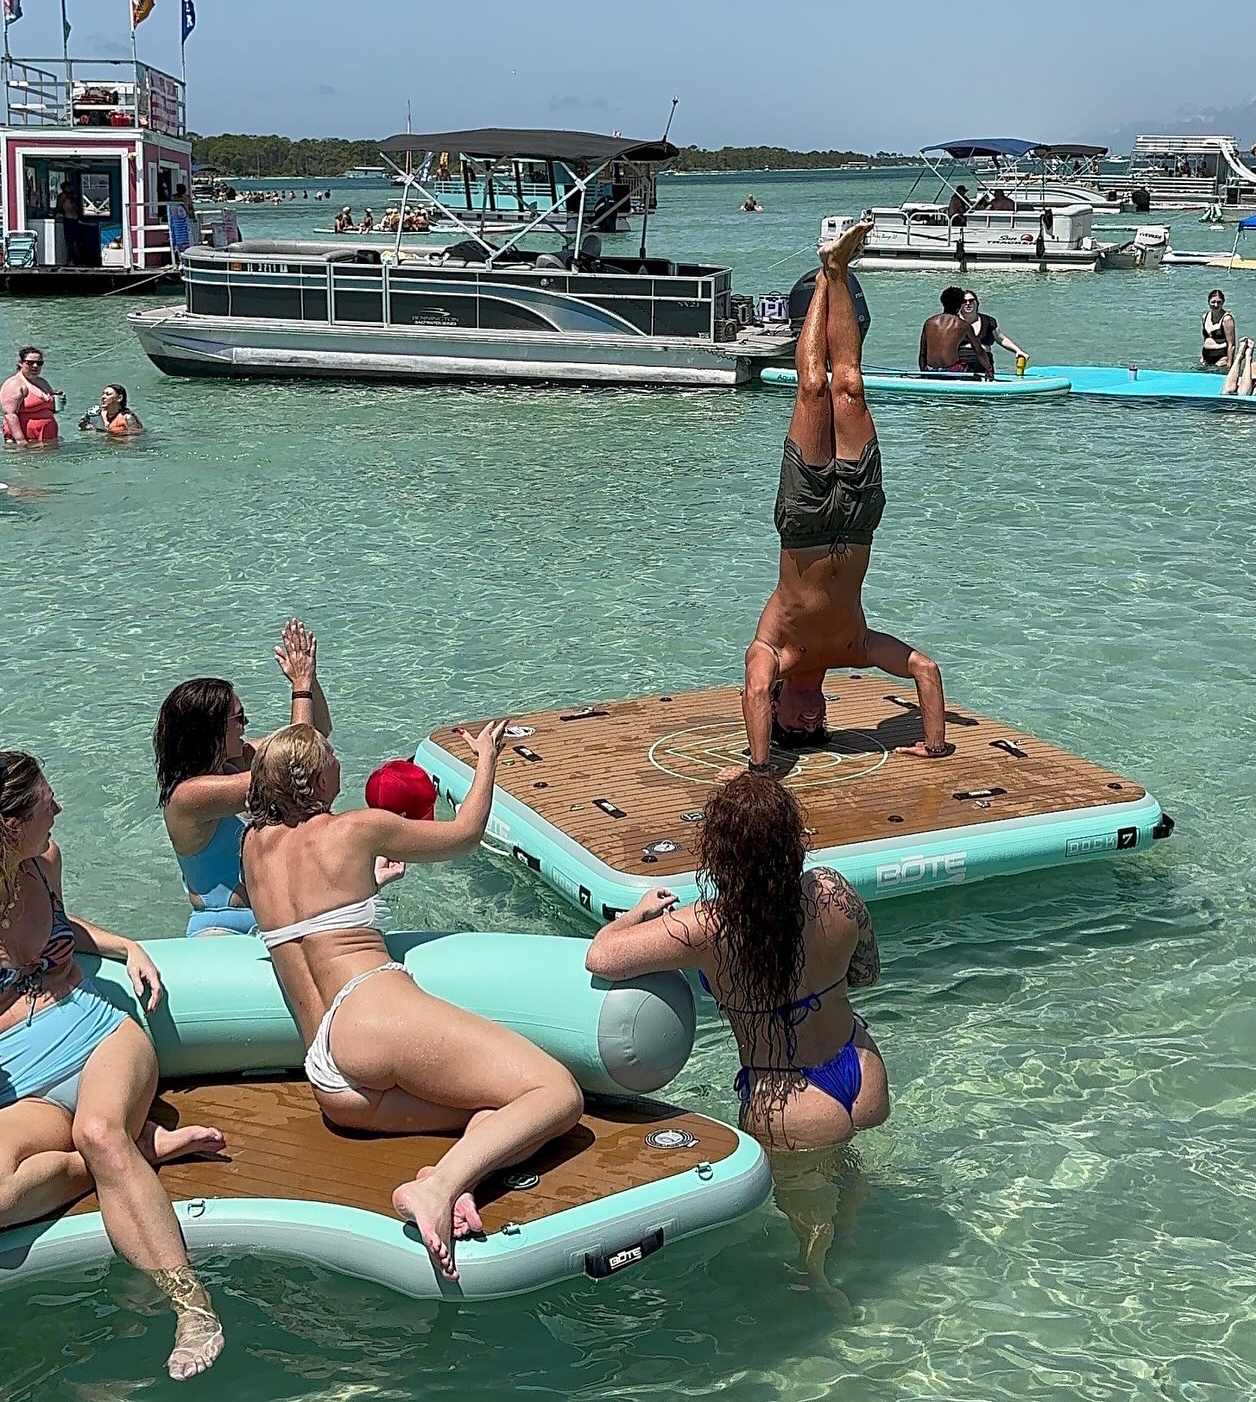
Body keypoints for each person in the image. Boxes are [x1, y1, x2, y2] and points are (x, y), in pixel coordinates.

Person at [241, 720, 583, 1279]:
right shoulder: (358, 828)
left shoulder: (252, 848)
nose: (339, 762)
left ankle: (456, 1185)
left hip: (332, 1084)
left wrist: (369, 884)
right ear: (316, 779)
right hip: (371, 1015)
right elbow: (466, 834)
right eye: (331, 755)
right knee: (555, 1093)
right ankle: (437, 1188)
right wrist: (486, 759)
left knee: (503, 1115)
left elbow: (312, 913)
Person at [584, 770, 887, 1282]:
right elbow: (867, 973)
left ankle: (826, 1292)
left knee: (810, 1231)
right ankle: (861, 1257)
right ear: (793, 839)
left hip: (790, 1101)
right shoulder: (831, 890)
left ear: (719, 855)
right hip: (860, 1068)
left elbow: (601, 956)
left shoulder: (707, 926)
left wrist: (637, 913)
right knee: (851, 1186)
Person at [0, 750, 228, 1379]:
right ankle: (138, 1150)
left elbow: (62, 923)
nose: (58, 807)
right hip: (23, 1081)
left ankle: (192, 1307)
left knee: (100, 1131)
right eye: (45, 801)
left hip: (97, 1034)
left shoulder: (44, 860)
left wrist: (127, 946)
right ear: (11, 825)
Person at [746, 222, 951, 771]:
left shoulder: (774, 653)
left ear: (776, 710)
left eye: (797, 728)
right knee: (851, 386)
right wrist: (933, 745)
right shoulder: (853, 648)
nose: (811, 723)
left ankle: (827, 273)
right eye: (819, 729)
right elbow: (926, 670)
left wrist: (761, 768)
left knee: (814, 387)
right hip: (859, 521)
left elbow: (753, 693)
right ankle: (835, 269)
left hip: (804, 521)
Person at [154, 619, 333, 936]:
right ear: (210, 732)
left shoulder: (240, 759)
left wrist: (309, 678)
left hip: (276, 915)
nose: (246, 724)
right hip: (222, 927)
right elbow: (298, 761)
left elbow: (316, 736)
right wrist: (300, 687)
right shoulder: (189, 796)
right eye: (239, 718)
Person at [918, 287, 994, 376]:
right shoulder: (963, 325)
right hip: (952, 371)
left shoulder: (929, 323)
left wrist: (924, 373)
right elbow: (979, 351)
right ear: (960, 305)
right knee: (975, 373)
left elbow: (922, 353)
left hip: (931, 370)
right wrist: (988, 369)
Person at [1, 347, 64, 447]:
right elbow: (10, 415)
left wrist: (59, 402)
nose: (35, 366)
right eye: (30, 363)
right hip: (26, 439)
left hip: (46, 436)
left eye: (39, 363)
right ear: (21, 363)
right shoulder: (14, 384)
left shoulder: (42, 382)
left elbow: (51, 409)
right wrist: (21, 441)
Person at [956, 290, 1028, 373]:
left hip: (984, 364)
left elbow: (1001, 339)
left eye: (971, 300)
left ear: (977, 303)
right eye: (964, 301)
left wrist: (1018, 350)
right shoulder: (952, 322)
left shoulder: (988, 321)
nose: (968, 303)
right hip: (960, 364)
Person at [78, 384, 143, 437]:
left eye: (108, 394)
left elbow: (133, 440)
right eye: (103, 394)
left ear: (119, 398)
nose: (103, 397)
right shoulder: (96, 415)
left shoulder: (127, 418)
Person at [1200, 290, 1236, 368]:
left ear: (1223, 302)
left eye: (1219, 302)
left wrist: (1229, 364)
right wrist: (1202, 357)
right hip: (1206, 357)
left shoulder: (1227, 319)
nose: (1216, 305)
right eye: (1213, 302)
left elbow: (1231, 344)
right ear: (1208, 302)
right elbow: (1206, 339)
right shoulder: (1205, 317)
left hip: (1221, 357)